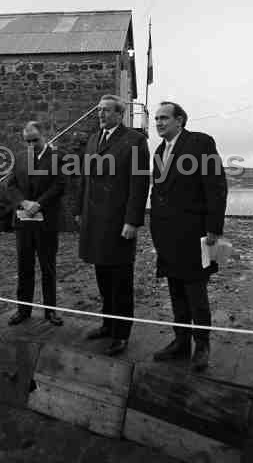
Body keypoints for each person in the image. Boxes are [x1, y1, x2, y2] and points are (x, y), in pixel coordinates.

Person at [150, 102, 227, 370]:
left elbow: (216, 186)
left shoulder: (200, 143)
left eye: (164, 118)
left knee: (196, 292)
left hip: (195, 234)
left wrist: (214, 228)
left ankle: (202, 346)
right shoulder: (159, 150)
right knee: (175, 290)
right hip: (166, 234)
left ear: (180, 120)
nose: (158, 122)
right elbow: (157, 192)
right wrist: (155, 228)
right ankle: (181, 342)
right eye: (157, 118)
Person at [76, 94, 150, 356]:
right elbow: (85, 177)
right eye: (99, 110)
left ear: (120, 114)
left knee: (121, 282)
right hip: (95, 221)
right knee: (103, 277)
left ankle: (121, 334)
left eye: (106, 111)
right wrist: (79, 211)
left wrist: (132, 221)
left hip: (119, 223)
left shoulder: (135, 140)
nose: (101, 114)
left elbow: (139, 184)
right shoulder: (95, 139)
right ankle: (107, 325)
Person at [7, 121, 65, 326]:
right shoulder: (20, 158)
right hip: (23, 224)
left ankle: (50, 312)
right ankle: (23, 310)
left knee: (48, 268)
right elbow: (11, 185)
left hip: (46, 223)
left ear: (45, 135)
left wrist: (39, 204)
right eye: (27, 141)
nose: (31, 145)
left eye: (35, 140)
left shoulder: (58, 158)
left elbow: (60, 185)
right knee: (24, 267)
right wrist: (23, 202)